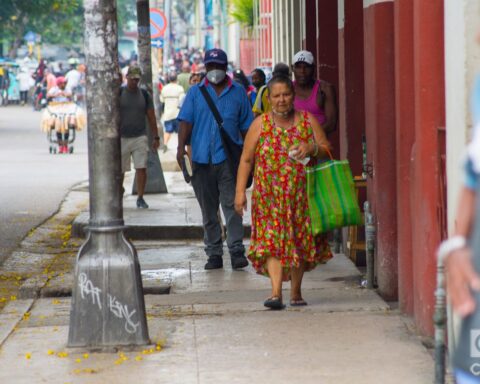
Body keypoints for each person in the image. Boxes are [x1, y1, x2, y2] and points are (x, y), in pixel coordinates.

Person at [234, 75, 333, 309]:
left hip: (302, 197)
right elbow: (246, 160)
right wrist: (240, 192)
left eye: (286, 95)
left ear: (294, 96)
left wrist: (312, 147)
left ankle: (296, 292)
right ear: (269, 98)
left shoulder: (308, 121)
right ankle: (276, 293)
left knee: (298, 241)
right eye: (276, 96)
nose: (281, 100)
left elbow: (327, 149)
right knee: (272, 242)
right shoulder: (260, 124)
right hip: (268, 198)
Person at [177, 48, 253, 270]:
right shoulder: (195, 92)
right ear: (205, 67)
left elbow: (247, 127)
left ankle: (237, 250)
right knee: (208, 212)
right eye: (211, 66)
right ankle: (214, 254)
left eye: (219, 67)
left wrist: (251, 157)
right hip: (200, 160)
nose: (214, 71)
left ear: (225, 68)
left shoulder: (238, 92)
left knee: (232, 207)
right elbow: (185, 122)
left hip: (228, 161)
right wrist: (181, 149)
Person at [120, 65, 160, 209]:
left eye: (137, 79)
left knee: (141, 167)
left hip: (139, 137)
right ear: (127, 78)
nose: (134, 82)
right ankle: (119, 191)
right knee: (120, 170)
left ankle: (140, 197)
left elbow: (151, 117)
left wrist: (156, 137)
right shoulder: (119, 93)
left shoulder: (144, 95)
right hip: (122, 137)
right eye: (132, 79)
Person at [292, 50, 338, 135]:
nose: (302, 71)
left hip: (318, 145)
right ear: (292, 68)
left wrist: (307, 137)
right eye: (298, 67)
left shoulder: (325, 89)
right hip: (291, 143)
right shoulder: (288, 89)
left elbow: (331, 123)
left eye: (307, 67)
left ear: (314, 68)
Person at [47, 77, 73, 153]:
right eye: (63, 83)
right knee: (58, 127)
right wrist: (55, 95)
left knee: (66, 127)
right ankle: (60, 146)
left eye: (65, 83)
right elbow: (48, 95)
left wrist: (64, 94)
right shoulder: (54, 89)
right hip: (56, 109)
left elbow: (70, 94)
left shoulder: (67, 89)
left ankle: (65, 145)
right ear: (59, 84)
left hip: (66, 108)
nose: (64, 84)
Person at [160, 71, 185, 152]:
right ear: (176, 79)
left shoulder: (164, 88)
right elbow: (182, 101)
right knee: (180, 132)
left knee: (168, 130)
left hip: (168, 113)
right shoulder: (180, 88)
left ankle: (165, 144)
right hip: (178, 113)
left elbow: (162, 101)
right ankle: (181, 146)